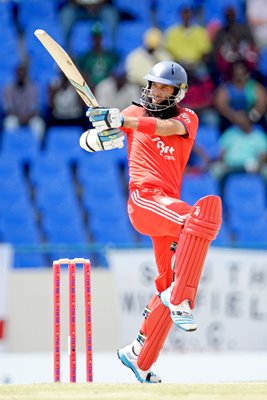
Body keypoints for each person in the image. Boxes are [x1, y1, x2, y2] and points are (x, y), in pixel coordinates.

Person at [80, 61, 222, 383]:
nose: (156, 92)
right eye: (153, 85)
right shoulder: (133, 112)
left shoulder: (187, 119)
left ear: (178, 94)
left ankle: (139, 356)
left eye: (164, 88)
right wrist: (100, 134)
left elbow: (163, 129)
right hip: (144, 200)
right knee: (199, 217)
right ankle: (181, 298)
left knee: (168, 285)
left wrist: (123, 120)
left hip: (166, 208)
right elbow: (90, 141)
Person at [214, 60, 267, 133]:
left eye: (242, 74)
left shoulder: (255, 87)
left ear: (247, 73)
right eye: (236, 74)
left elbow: (262, 104)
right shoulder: (226, 89)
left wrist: (250, 118)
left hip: (253, 121)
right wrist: (235, 117)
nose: (239, 78)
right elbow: (221, 105)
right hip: (231, 121)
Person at [2, 63, 46, 142]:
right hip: (15, 117)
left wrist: (27, 117)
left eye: (23, 75)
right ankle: (12, 146)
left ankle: (37, 148)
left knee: (39, 124)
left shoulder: (33, 88)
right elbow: (8, 109)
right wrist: (19, 117)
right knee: (9, 123)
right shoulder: (8, 88)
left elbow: (36, 108)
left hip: (30, 118)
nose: (21, 77)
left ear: (26, 75)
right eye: (19, 74)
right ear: (15, 74)